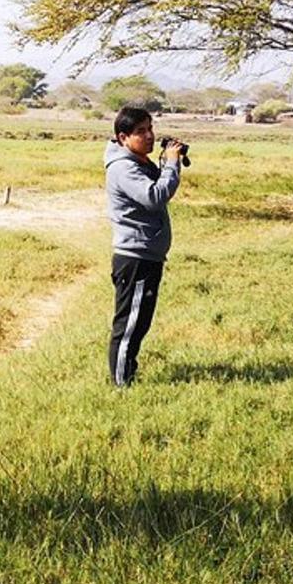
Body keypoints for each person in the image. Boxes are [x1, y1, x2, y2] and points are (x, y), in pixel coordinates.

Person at [104, 106, 184, 387]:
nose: (149, 136)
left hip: (146, 255)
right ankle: (121, 385)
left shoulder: (137, 161)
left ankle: (124, 377)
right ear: (123, 137)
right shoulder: (124, 168)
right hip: (135, 257)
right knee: (129, 325)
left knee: (138, 322)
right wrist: (171, 165)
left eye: (151, 129)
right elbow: (154, 197)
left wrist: (166, 164)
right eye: (141, 131)